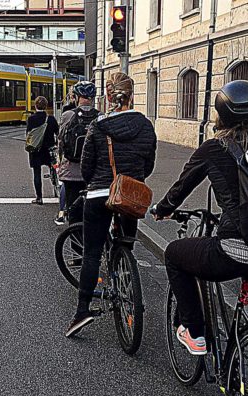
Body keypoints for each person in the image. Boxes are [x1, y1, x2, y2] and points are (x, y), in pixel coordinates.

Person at [152, 80, 248, 365]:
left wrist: (162, 209)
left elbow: (181, 188)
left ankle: (194, 332)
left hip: (238, 250)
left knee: (174, 254)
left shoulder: (214, 148)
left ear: (220, 114)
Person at [65, 72, 157, 337]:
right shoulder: (145, 125)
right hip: (130, 194)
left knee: (92, 253)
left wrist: (96, 182)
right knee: (126, 243)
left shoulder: (98, 125)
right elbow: (148, 163)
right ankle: (126, 273)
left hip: (98, 195)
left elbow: (86, 167)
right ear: (131, 95)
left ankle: (82, 311)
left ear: (107, 96)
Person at [57, 81, 99, 225]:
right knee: (93, 215)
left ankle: (76, 242)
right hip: (94, 174)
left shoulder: (68, 115)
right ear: (92, 98)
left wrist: (59, 161)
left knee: (74, 212)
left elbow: (61, 141)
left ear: (76, 97)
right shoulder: (101, 117)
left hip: (71, 173)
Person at [26, 96, 59, 205]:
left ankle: (39, 198)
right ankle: (57, 188)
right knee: (54, 168)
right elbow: (58, 133)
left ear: (35, 106)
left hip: (36, 150)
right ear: (46, 106)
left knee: (36, 172)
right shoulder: (51, 119)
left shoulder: (31, 119)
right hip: (49, 149)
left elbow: (28, 135)